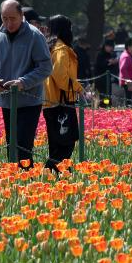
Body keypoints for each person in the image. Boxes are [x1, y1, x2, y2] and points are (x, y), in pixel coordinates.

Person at [0, 0, 53, 167]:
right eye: (5, 18)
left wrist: (23, 82)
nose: (9, 23)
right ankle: (15, 179)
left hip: (29, 101)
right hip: (7, 101)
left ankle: (26, 179)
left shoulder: (34, 35)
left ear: (22, 15)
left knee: (23, 148)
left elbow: (46, 67)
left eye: (13, 18)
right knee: (11, 148)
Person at [42, 15, 84, 170]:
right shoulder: (62, 50)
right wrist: (78, 87)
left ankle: (60, 176)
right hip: (61, 102)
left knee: (56, 146)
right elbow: (61, 77)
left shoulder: (50, 47)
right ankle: (47, 172)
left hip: (50, 101)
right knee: (66, 144)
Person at [119, 38, 132, 105]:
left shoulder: (128, 55)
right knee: (128, 103)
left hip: (128, 83)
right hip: (127, 84)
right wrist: (128, 80)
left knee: (128, 102)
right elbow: (123, 68)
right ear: (129, 47)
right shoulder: (126, 56)